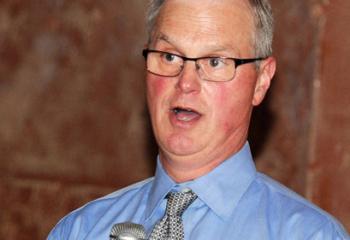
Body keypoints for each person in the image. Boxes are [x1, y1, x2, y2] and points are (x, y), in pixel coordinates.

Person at [48, 0, 349, 239]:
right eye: (169, 57)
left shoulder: (310, 235)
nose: (185, 82)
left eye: (214, 62)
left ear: (261, 81)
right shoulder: (80, 231)